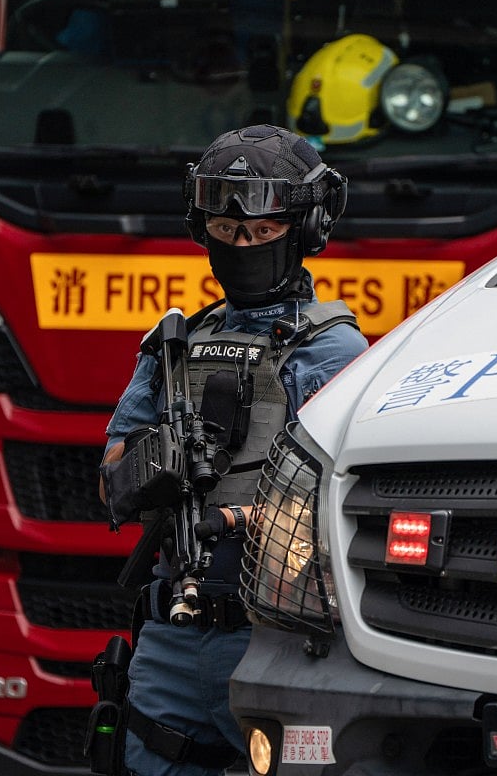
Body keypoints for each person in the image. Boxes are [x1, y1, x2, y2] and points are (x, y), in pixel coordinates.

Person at [97, 124, 368, 775]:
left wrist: (240, 517)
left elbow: (345, 499)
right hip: (171, 633)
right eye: (227, 231)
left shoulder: (333, 349)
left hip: (278, 633)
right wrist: (163, 465)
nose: (243, 244)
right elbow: (111, 478)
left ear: (301, 229)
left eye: (261, 231)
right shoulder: (175, 343)